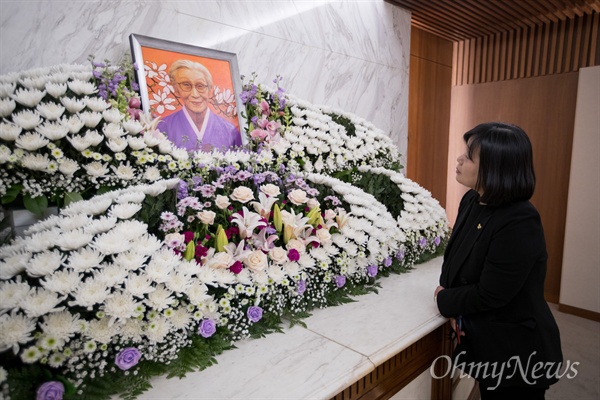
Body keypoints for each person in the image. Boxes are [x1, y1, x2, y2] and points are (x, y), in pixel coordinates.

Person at [434, 122, 563, 399]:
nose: (459, 159)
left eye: (468, 156)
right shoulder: (472, 200)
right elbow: (456, 257)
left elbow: (492, 294)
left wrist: (444, 299)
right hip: (487, 341)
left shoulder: (518, 220)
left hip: (516, 352)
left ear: (494, 168)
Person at [158, 59, 242, 152]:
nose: (195, 94)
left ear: (209, 88)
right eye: (186, 85)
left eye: (200, 86)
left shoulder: (230, 131)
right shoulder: (162, 127)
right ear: (176, 89)